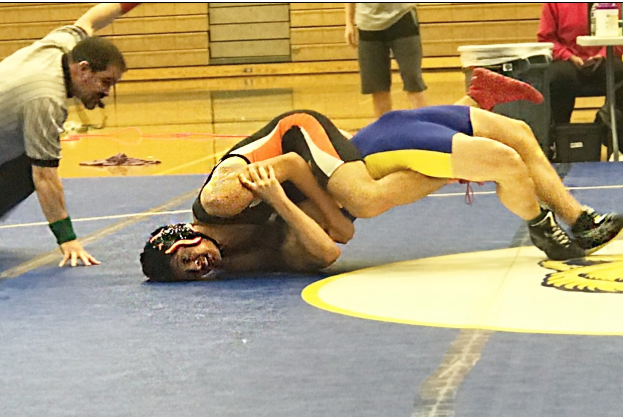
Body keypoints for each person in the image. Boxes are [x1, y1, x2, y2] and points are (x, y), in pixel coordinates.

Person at [140, 74, 623, 282]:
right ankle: (476, 105)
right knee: (518, 136)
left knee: (369, 201)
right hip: (375, 141)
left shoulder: (220, 203)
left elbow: (291, 170)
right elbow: (335, 242)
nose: (201, 268)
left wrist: (301, 204)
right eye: (194, 277)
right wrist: (308, 213)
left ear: (179, 239)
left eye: (188, 263)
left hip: (304, 135)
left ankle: (552, 231)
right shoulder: (248, 251)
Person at [0, 3, 140, 267]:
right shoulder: (46, 99)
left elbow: (91, 19)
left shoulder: (64, 44)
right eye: (105, 82)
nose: (107, 92)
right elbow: (45, 177)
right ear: (84, 70)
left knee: (28, 162)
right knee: (36, 165)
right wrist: (68, 240)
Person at [538, 3, 623, 124]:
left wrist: (602, 55)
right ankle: (560, 132)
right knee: (558, 77)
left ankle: (609, 127)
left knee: (620, 72)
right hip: (567, 63)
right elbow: (546, 39)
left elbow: (619, 34)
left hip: (603, 61)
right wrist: (568, 56)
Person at [344, 3, 427, 118]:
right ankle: (385, 131)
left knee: (413, 79)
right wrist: (349, 23)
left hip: (402, 18)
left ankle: (423, 127)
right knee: (377, 87)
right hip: (368, 25)